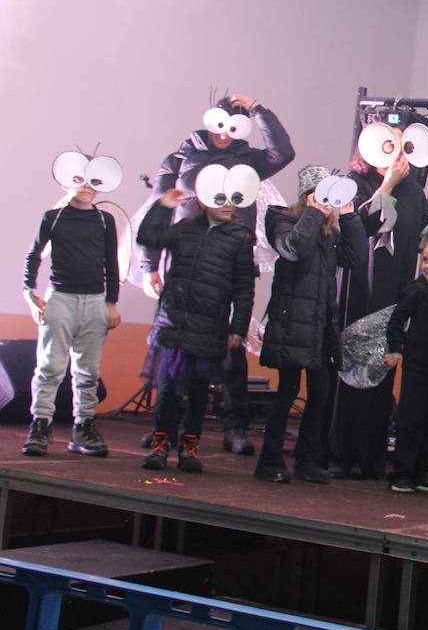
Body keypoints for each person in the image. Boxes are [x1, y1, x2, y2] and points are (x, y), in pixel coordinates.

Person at [142, 93, 294, 456]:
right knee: (175, 348)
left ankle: (235, 426)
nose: (225, 133)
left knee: (230, 349)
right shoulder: (180, 157)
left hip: (230, 256)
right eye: (221, 122)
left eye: (235, 124)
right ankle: (165, 428)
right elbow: (158, 207)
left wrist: (258, 109)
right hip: (183, 258)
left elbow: (283, 153)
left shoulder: (249, 159)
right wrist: (149, 265)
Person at [254, 166, 367, 484]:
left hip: (320, 325)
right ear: (307, 196)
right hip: (292, 323)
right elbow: (293, 248)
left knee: (321, 392)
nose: (328, 203)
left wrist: (349, 216)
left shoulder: (329, 232)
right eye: (322, 196)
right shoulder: (281, 219)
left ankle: (307, 459)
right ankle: (270, 460)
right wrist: (316, 212)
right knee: (287, 391)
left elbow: (355, 257)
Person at [333, 122, 428, 479]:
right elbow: (359, 229)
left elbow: (421, 239)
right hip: (357, 294)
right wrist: (386, 186)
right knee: (351, 373)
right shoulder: (352, 186)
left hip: (393, 293)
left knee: (381, 374)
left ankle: (371, 454)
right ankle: (342, 452)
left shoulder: (414, 192)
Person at [137, 183, 257, 473]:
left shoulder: (240, 238)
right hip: (175, 321)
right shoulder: (184, 229)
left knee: (198, 388)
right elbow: (147, 236)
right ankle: (161, 445)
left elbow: (244, 288)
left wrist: (238, 328)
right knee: (167, 386)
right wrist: (162, 206)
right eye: (220, 199)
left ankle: (190, 447)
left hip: (210, 325)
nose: (229, 205)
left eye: (233, 200)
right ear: (203, 202)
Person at [21, 152, 123, 457]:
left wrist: (111, 303)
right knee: (50, 367)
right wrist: (29, 291)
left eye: (94, 179)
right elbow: (33, 255)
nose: (87, 186)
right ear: (69, 180)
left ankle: (84, 428)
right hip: (60, 300)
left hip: (94, 303)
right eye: (80, 178)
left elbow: (111, 264)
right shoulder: (53, 217)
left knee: (88, 371)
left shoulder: (106, 220)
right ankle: (40, 426)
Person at [385, 236, 428, 493]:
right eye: (426, 260)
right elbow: (395, 320)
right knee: (411, 417)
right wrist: (395, 349)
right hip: (417, 364)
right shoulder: (416, 290)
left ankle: (421, 470)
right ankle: (402, 471)